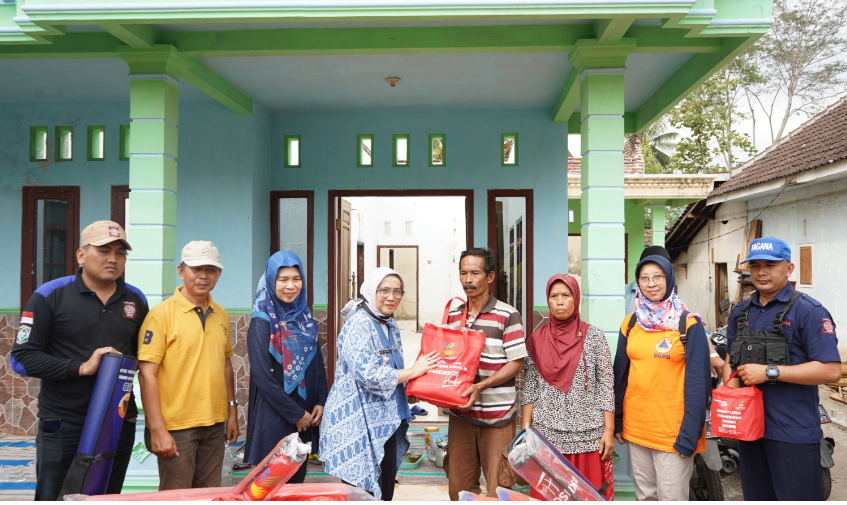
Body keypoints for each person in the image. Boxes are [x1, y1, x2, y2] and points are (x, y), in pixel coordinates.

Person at [10, 221, 148, 501]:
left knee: (106, 497)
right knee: (55, 497)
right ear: (80, 255)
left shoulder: (135, 299)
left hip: (117, 422)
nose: (113, 258)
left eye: (120, 252)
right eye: (103, 250)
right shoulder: (50, 295)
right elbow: (21, 360)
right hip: (63, 422)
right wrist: (81, 367)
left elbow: (144, 361)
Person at [723, 237, 841, 501]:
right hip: (750, 431)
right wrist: (731, 403)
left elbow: (831, 370)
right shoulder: (740, 312)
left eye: (770, 265)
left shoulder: (808, 311)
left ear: (789, 268)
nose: (761, 272)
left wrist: (769, 372)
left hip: (792, 431)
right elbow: (732, 361)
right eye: (755, 266)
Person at [319, 267, 439, 500]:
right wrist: (413, 371)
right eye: (384, 290)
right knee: (361, 493)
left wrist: (406, 389)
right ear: (371, 291)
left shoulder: (390, 324)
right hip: (357, 424)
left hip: (385, 421)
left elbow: (393, 368)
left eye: (397, 291)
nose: (391, 297)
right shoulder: (358, 324)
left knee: (384, 488)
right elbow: (368, 375)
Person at [137, 240, 238, 490]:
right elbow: (146, 375)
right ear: (181, 271)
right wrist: (158, 430)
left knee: (208, 494)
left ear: (219, 274)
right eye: (196, 269)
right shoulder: (160, 316)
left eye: (211, 270)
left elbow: (225, 364)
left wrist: (232, 411)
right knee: (176, 496)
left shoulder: (220, 313)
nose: (204, 276)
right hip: (176, 428)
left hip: (214, 425)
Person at [613, 254, 710, 501]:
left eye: (658, 277)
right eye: (644, 278)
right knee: (645, 498)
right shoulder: (630, 323)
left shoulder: (688, 324)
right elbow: (620, 376)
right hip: (637, 429)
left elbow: (699, 385)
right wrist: (619, 420)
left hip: (673, 433)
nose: (651, 283)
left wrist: (689, 435)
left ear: (669, 279)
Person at [521, 274, 615, 500]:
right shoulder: (536, 339)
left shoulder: (594, 336)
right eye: (554, 296)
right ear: (548, 300)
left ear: (576, 299)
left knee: (588, 496)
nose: (560, 301)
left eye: (566, 295)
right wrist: (526, 429)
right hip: (547, 436)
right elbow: (531, 386)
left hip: (588, 436)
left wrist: (609, 430)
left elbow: (606, 385)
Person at [445, 247, 527, 500]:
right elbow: (448, 360)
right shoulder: (454, 315)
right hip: (461, 416)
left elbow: (516, 363)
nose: (468, 280)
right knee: (458, 489)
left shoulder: (507, 315)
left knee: (498, 489)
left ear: (490, 277)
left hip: (497, 418)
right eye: (463, 273)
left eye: (475, 273)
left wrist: (480, 386)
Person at [243, 251, 327, 481]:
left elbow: (317, 361)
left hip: (304, 417)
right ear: (271, 281)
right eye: (283, 280)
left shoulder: (304, 316)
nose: (291, 286)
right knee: (271, 486)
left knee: (295, 485)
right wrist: (296, 414)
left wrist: (320, 399)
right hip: (275, 418)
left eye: (296, 279)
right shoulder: (262, 320)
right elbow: (261, 377)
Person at [625, 245, 724, 378]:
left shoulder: (672, 302)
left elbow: (692, 325)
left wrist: (712, 354)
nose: (652, 283)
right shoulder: (623, 295)